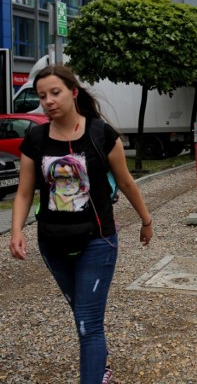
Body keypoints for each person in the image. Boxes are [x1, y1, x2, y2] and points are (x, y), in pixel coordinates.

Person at [9, 64, 154, 384]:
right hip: (51, 243)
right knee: (82, 312)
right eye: (42, 95)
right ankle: (100, 364)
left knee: (88, 323)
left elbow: (127, 183)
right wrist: (17, 231)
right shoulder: (35, 138)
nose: (48, 101)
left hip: (98, 240)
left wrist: (146, 220)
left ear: (73, 93)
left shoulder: (101, 135)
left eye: (55, 93)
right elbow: (22, 193)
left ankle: (95, 372)